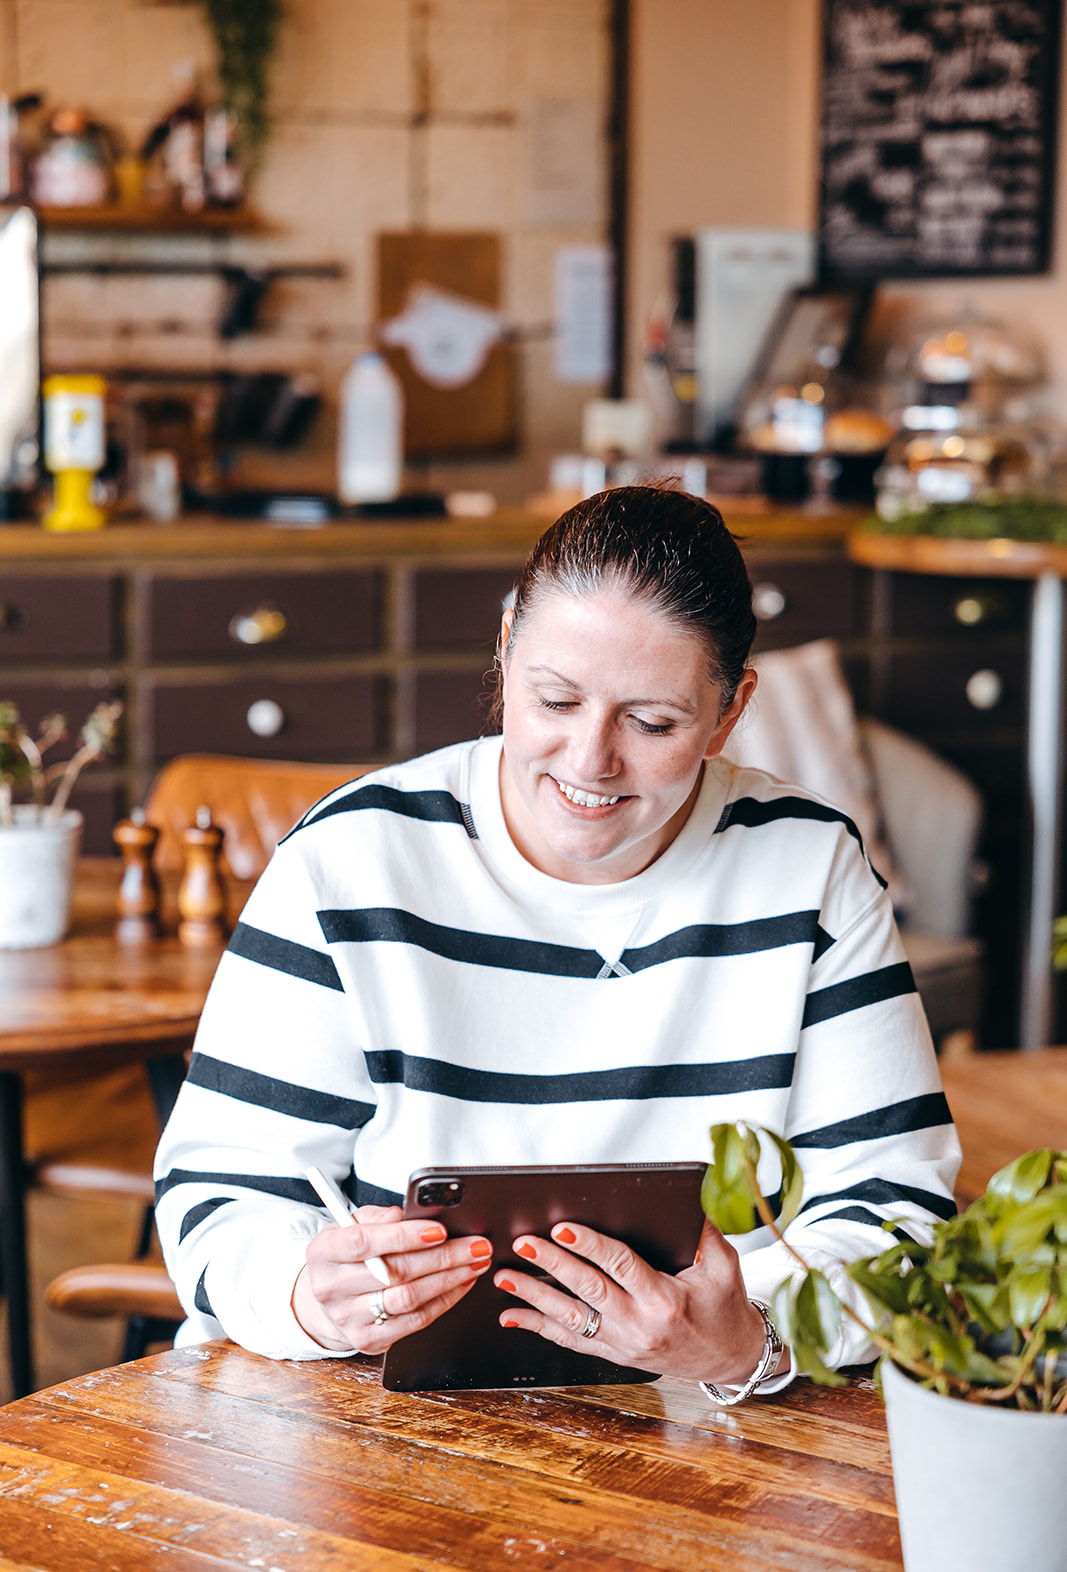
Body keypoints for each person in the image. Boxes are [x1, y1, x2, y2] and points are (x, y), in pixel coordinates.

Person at [155, 486, 960, 1398]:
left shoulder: (807, 865)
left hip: (708, 1423)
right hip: (367, 1414)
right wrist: (306, 1297)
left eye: (652, 723)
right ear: (504, 651)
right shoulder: (352, 858)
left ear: (729, 711)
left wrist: (744, 1341)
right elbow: (219, 1189)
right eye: (555, 698)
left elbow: (899, 1213)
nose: (588, 761)